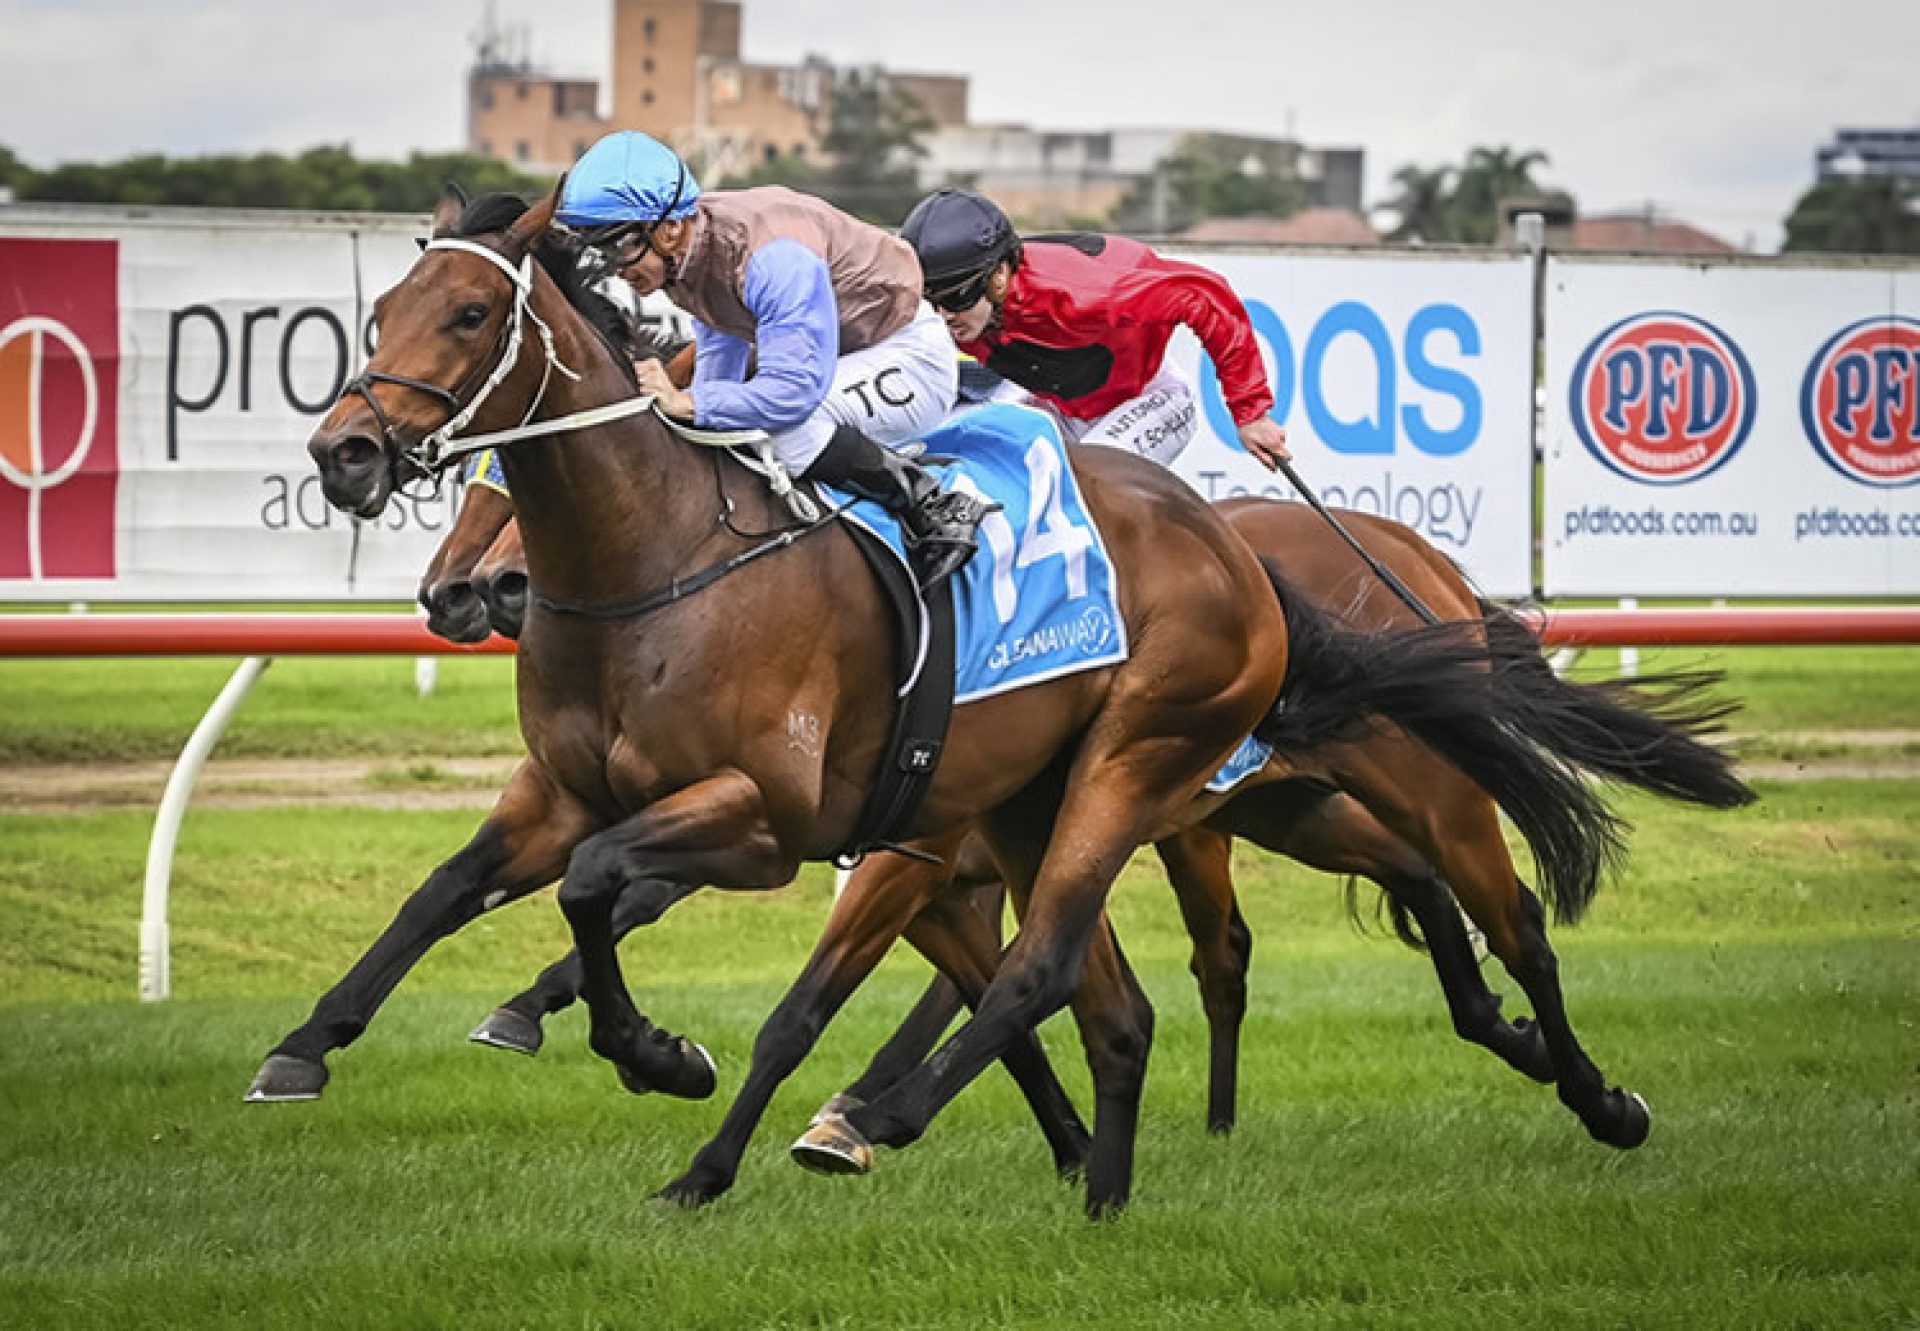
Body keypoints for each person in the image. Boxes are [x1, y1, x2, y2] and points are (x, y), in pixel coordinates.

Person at [556, 131, 994, 583]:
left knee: (791, 431)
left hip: (907, 354)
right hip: (844, 357)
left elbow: (794, 393)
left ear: (669, 227)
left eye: (623, 245)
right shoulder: (687, 256)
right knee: (716, 434)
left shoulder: (772, 257)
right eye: (601, 249)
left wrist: (688, 402)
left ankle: (934, 505)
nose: (616, 267)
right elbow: (719, 359)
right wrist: (692, 414)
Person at [898, 188, 1292, 471]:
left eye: (952, 299)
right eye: (927, 300)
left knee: (1087, 482)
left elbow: (1205, 297)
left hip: (1148, 399)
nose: (941, 317)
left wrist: (1250, 412)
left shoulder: (1084, 293)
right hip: (1060, 405)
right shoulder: (960, 306)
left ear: (998, 277)